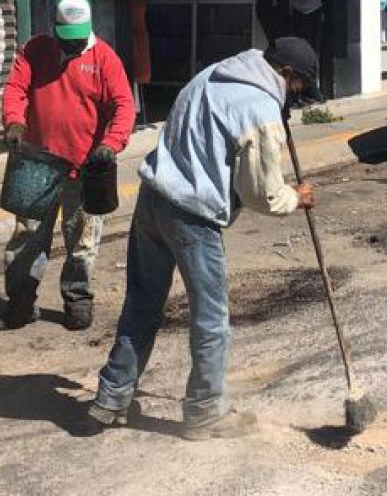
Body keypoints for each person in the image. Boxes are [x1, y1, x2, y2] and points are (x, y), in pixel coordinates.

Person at [86, 37, 319, 440]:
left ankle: (111, 398)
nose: (295, 96)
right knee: (211, 318)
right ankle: (206, 411)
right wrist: (293, 198)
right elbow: (260, 193)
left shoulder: (211, 75)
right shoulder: (259, 109)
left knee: (142, 303)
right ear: (286, 74)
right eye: (297, 87)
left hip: (152, 199)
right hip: (193, 216)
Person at [0, 0, 136, 332]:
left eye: (77, 41)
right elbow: (16, 89)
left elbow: (123, 107)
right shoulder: (34, 51)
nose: (70, 48)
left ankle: (77, 299)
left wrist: (111, 145)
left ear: (89, 29)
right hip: (37, 164)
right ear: (54, 29)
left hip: (84, 167)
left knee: (83, 238)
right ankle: (21, 302)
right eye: (64, 40)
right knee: (27, 237)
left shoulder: (104, 59)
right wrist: (14, 121)